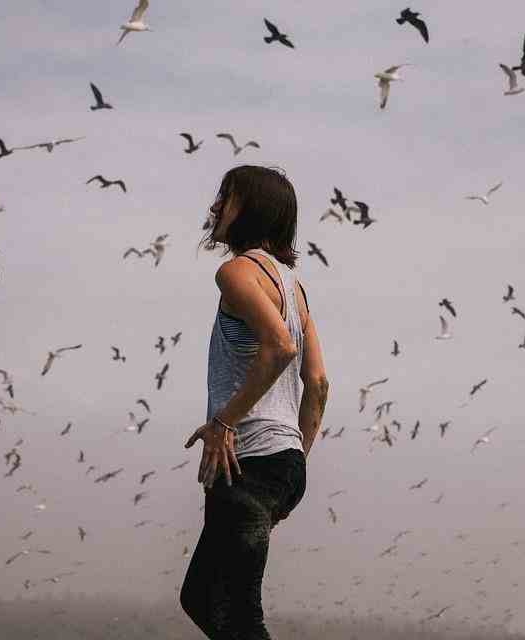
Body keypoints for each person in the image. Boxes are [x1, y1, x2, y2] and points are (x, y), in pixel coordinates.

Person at [181, 165, 330, 640]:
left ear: (254, 210)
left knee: (238, 616)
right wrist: (293, 465)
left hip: (247, 461)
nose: (215, 206)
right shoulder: (294, 287)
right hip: (282, 463)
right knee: (201, 598)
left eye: (226, 197)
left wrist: (224, 422)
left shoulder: (236, 273)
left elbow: (279, 347)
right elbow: (318, 384)